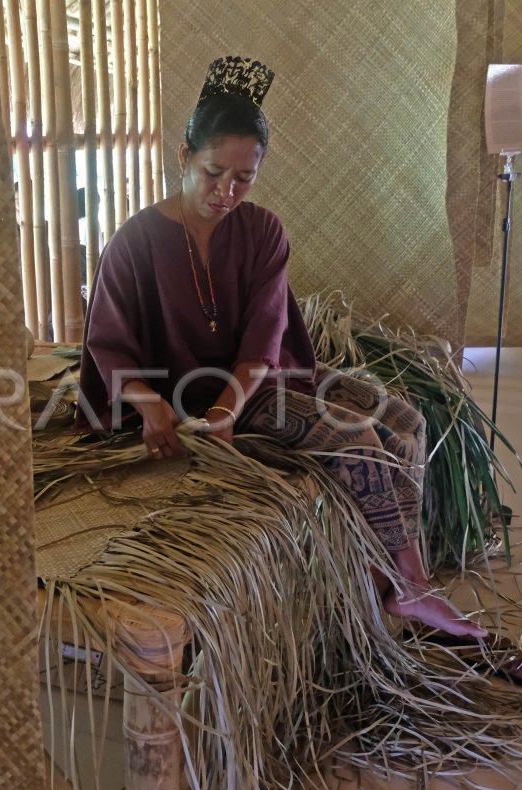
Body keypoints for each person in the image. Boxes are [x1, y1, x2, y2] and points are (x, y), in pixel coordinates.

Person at [77, 55, 486, 640]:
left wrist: (228, 410)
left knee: (404, 417)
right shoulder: (134, 241)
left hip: (247, 385)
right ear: (183, 157)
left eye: (244, 177)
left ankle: (394, 581)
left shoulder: (264, 230)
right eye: (213, 172)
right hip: (179, 392)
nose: (226, 191)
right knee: (357, 436)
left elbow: (263, 340)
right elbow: (107, 345)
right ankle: (409, 588)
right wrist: (149, 404)